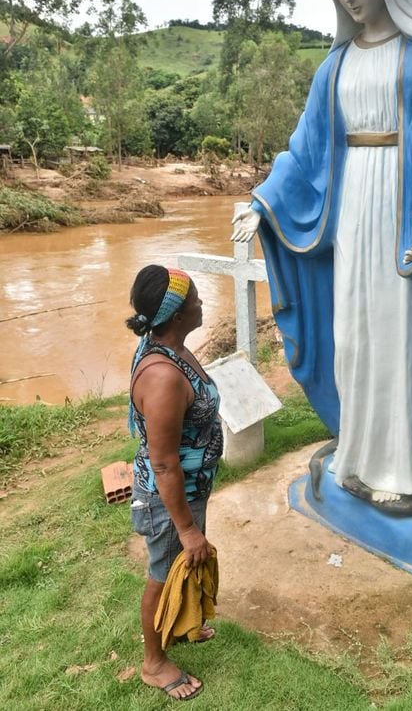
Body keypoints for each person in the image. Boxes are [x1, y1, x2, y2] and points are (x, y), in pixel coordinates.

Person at [232, 0, 412, 516]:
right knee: (356, 337)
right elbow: (305, 148)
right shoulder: (333, 67)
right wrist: (264, 202)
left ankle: (409, 470)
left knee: (400, 341)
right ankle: (359, 458)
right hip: (350, 220)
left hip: (399, 216)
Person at [126, 265, 223, 700]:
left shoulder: (173, 348)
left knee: (185, 564)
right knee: (163, 573)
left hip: (187, 490)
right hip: (167, 500)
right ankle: (154, 663)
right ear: (177, 315)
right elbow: (164, 465)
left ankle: (183, 624)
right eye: (195, 300)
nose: (201, 304)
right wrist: (186, 527)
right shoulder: (163, 376)